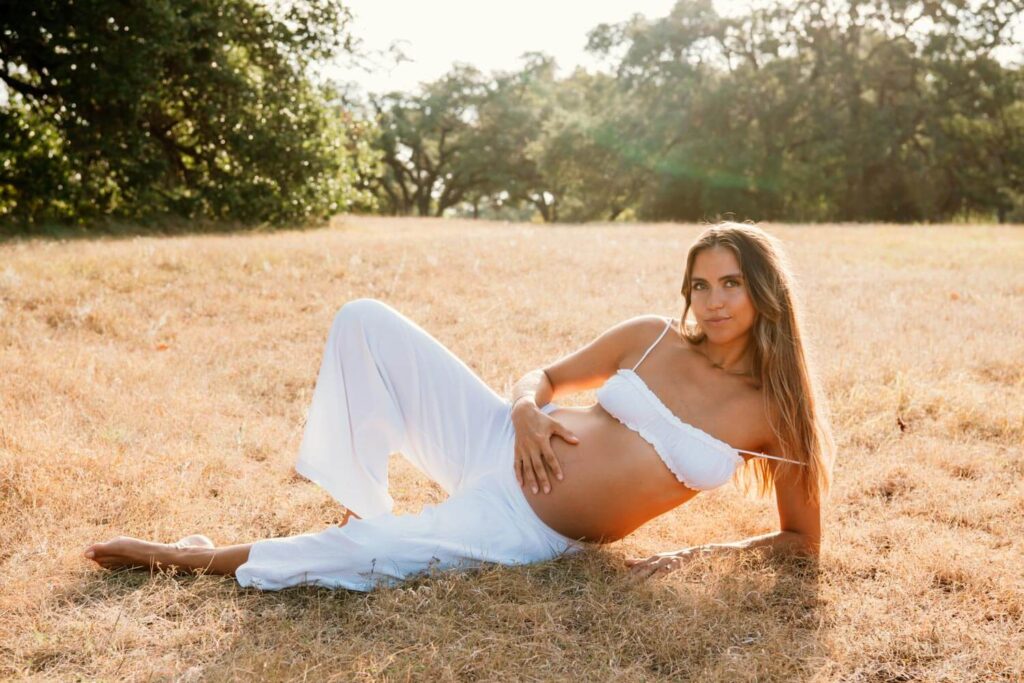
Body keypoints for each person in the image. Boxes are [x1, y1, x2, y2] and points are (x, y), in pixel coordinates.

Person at [83, 222, 834, 590]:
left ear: (765, 290)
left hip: (525, 525)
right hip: (496, 441)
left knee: (376, 557)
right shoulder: (649, 337)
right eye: (701, 284)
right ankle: (360, 498)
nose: (713, 300)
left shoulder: (771, 413)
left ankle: (191, 555)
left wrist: (687, 556)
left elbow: (801, 539)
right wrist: (523, 413)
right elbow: (540, 375)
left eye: (730, 282)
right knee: (364, 319)